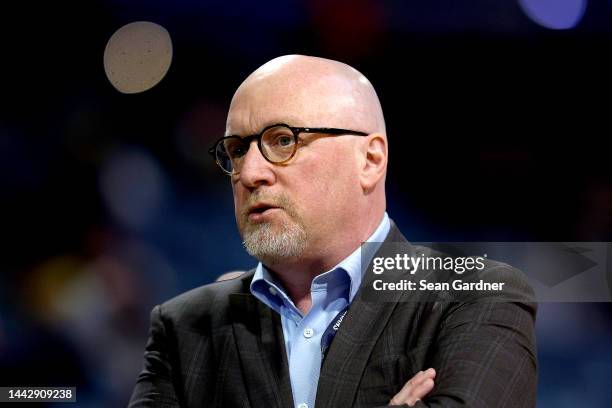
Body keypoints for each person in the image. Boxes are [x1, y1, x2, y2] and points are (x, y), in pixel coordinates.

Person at [128, 55, 537, 408]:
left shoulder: (477, 297)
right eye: (237, 150)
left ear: (370, 160)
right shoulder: (185, 326)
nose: (249, 173)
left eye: (283, 140)